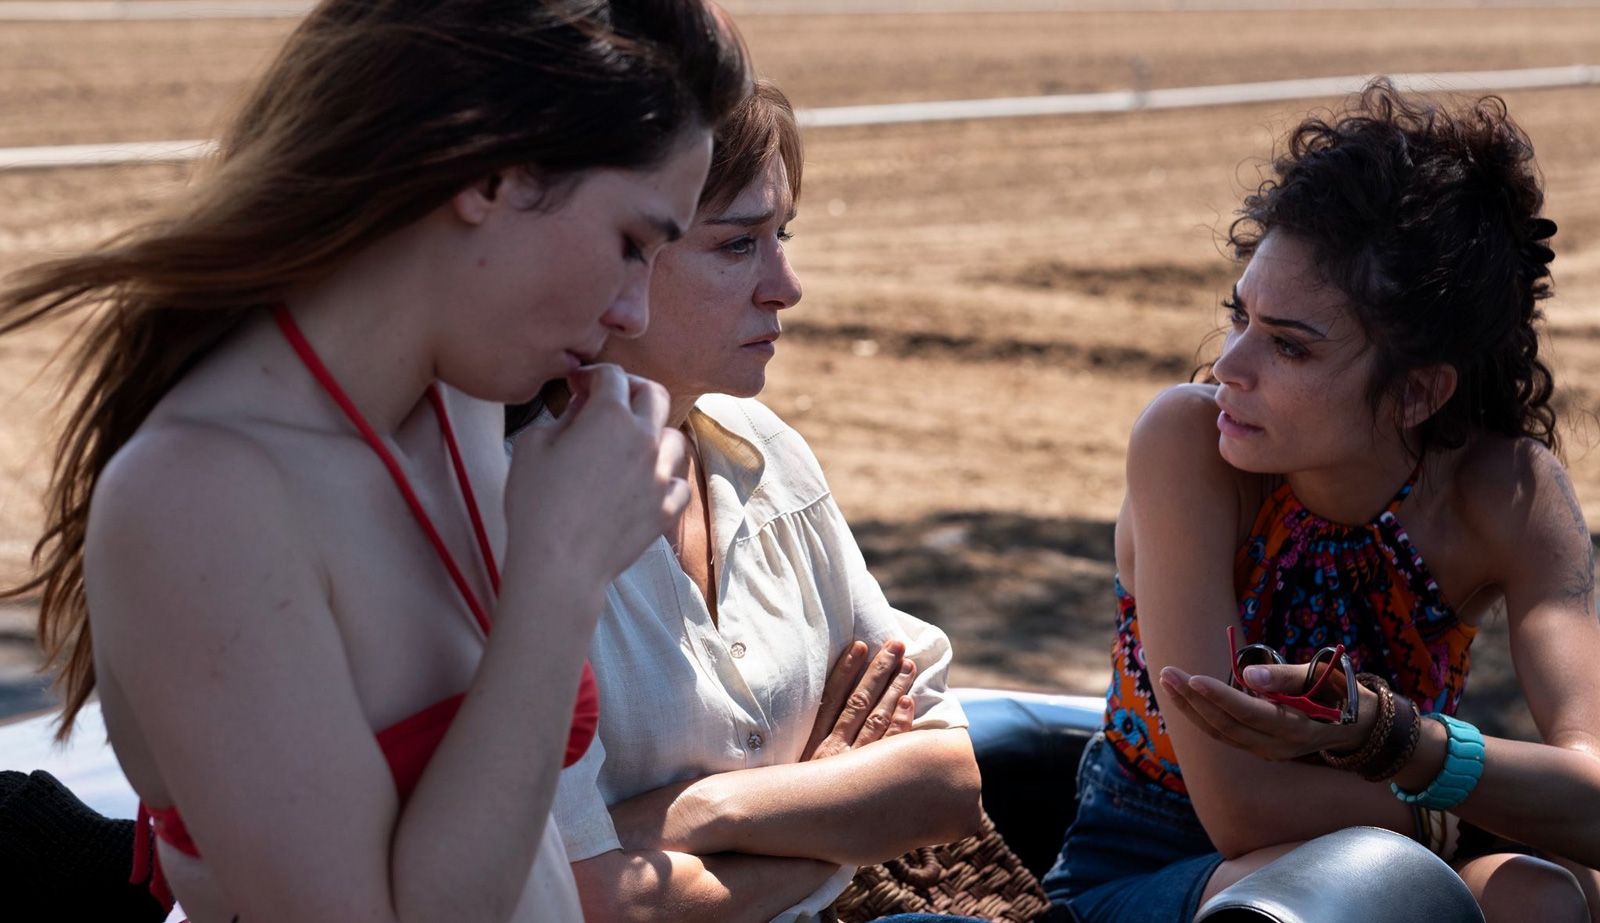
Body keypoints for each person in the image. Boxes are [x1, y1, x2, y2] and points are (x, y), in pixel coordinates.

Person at [0, 0, 749, 923]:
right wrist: (559, 574)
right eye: (631, 242)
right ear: (493, 173)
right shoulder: (201, 493)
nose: (635, 311)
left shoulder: (460, 403)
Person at [1043, 80, 1600, 923]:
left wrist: (1394, 739)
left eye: (1289, 346)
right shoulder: (1188, 445)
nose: (1229, 366)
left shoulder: (1510, 497)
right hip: (1149, 870)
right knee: (1356, 891)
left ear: (1418, 392)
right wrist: (1453, 805)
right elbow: (1242, 809)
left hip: (1392, 862)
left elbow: (1590, 792)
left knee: (1540, 893)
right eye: (1240, 317)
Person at [516, 81, 983, 921]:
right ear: (611, 256)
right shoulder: (508, 510)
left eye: (782, 236)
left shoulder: (765, 450)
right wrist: (828, 808)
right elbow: (591, 903)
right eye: (737, 244)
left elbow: (945, 780)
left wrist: (707, 810)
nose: (785, 285)